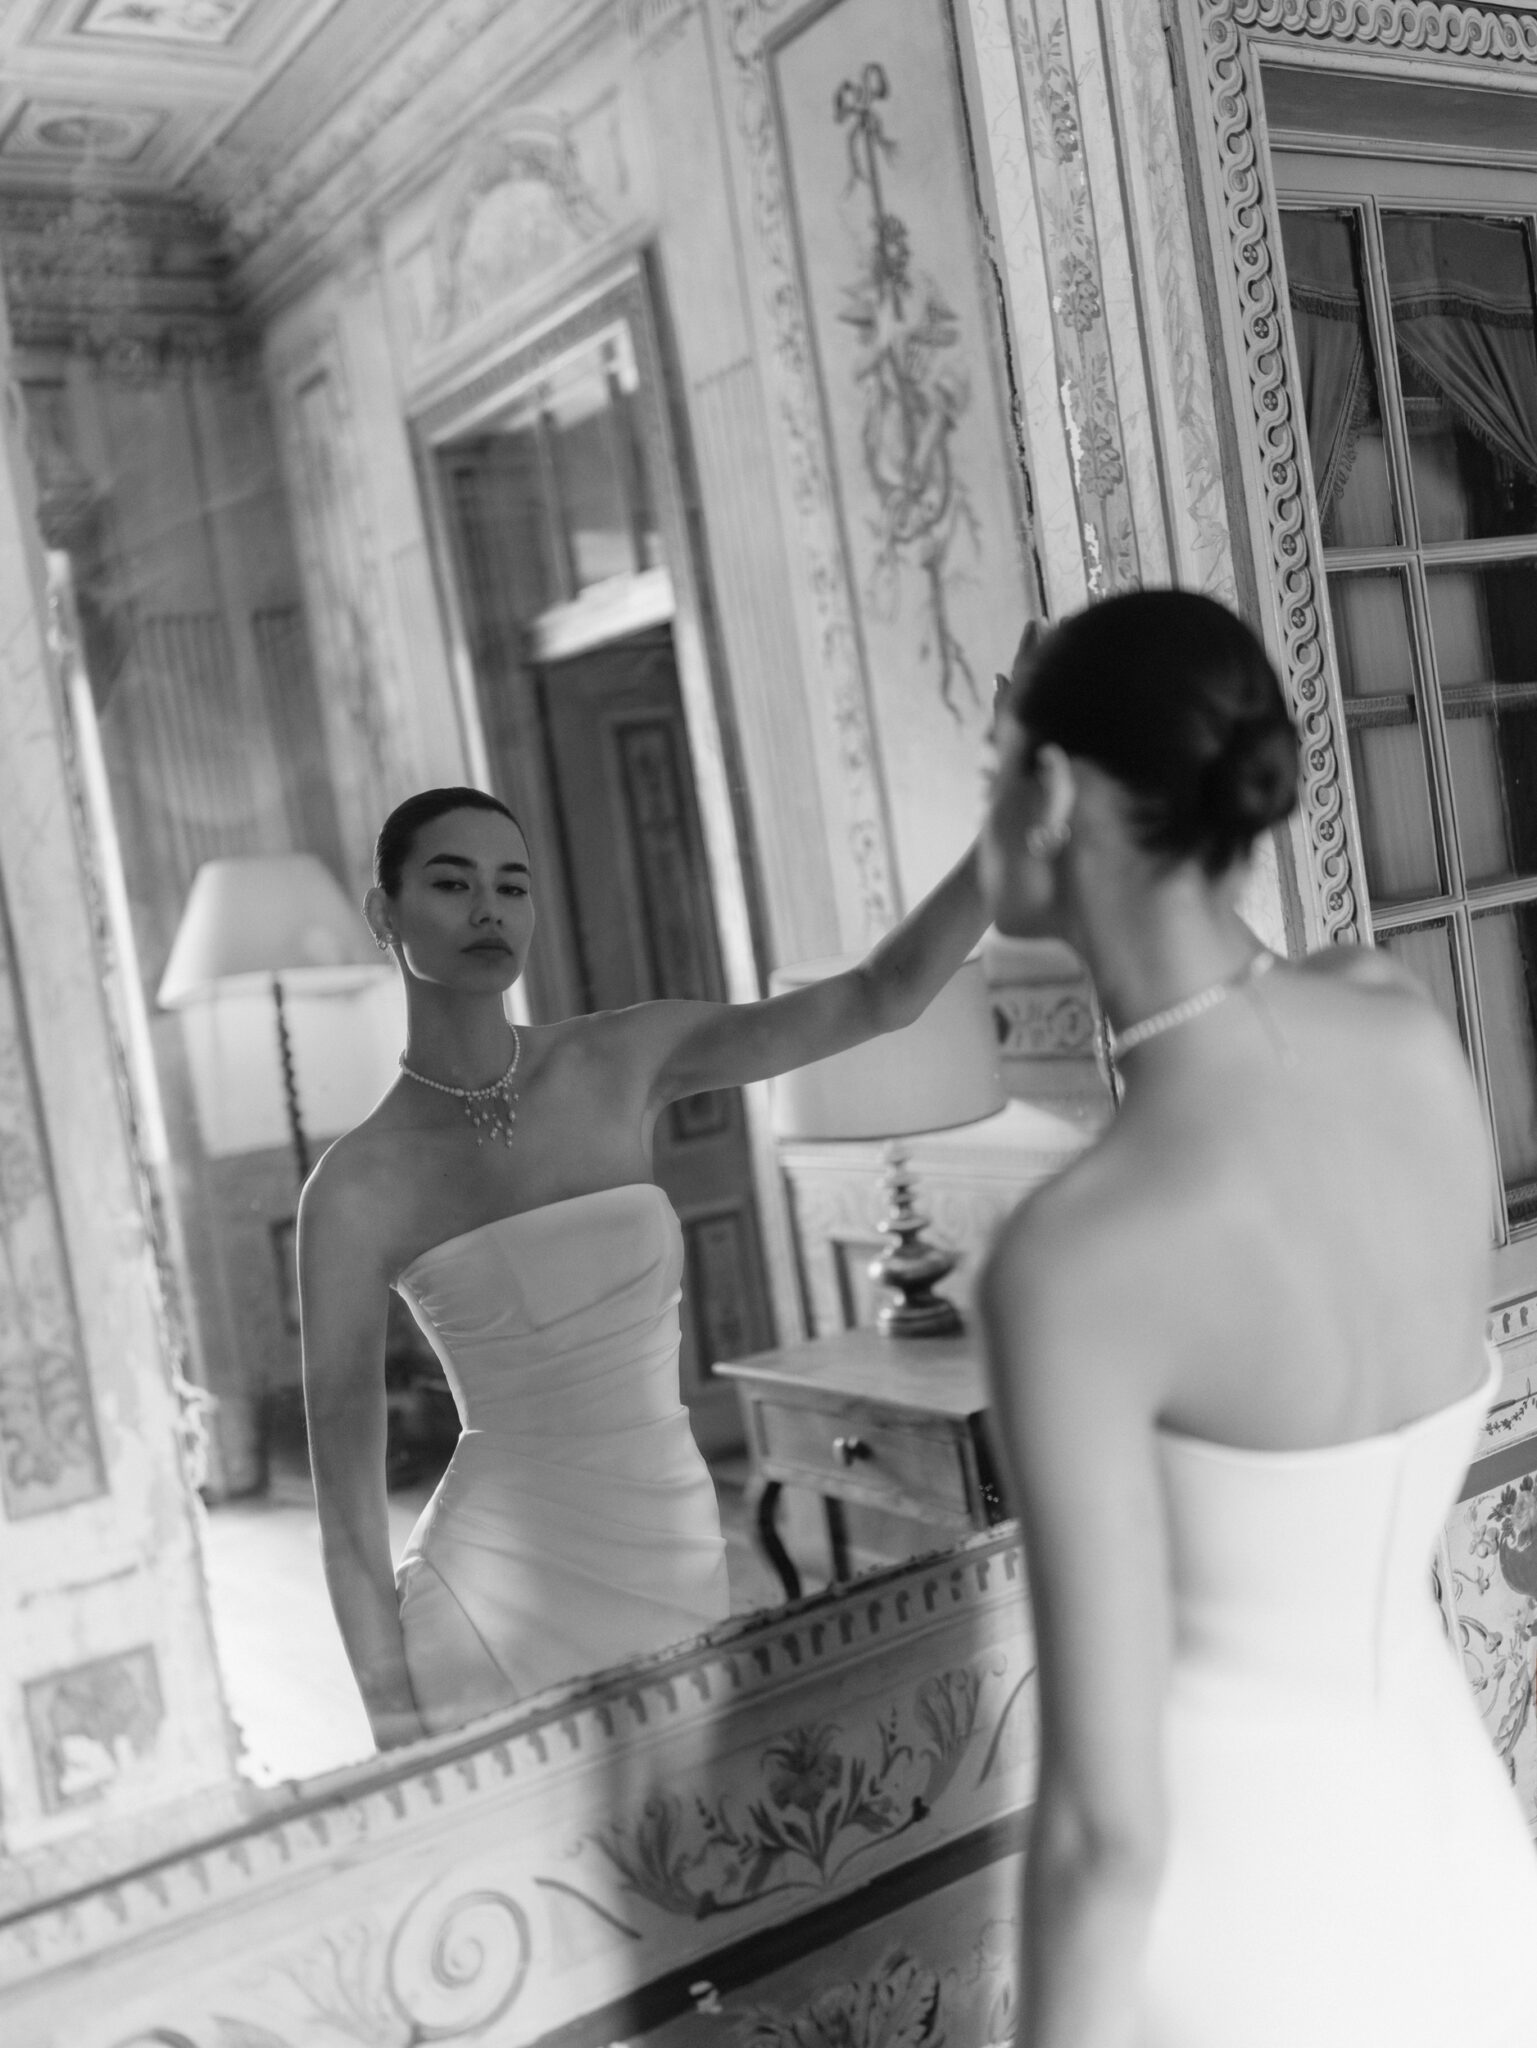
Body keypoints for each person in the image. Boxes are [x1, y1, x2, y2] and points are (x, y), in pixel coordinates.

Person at [975, 590, 1537, 2048]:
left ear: (1049, 792)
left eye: (993, 765)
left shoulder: (1080, 1254)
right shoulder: (1395, 1021)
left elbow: (1104, 1835)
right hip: (1464, 1864)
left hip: (1237, 1938)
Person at [299, 784, 989, 1749]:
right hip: (489, 1604)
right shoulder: (354, 1188)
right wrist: (397, 1732)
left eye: (512, 885)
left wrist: (1011, 829)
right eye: (452, 884)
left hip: (674, 1553)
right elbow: (344, 1511)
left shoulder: (621, 1059)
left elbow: (883, 994)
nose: (489, 909)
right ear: (385, 912)